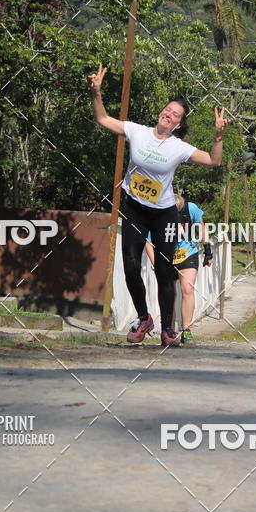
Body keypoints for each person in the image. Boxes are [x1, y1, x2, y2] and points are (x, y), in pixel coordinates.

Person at [89, 64, 226, 346]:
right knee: (129, 266)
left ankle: (167, 328)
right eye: (168, 109)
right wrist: (96, 91)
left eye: (175, 114)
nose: (169, 114)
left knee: (164, 273)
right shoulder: (136, 131)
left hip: (164, 216)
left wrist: (218, 137)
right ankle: (143, 318)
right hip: (135, 210)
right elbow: (102, 118)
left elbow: (214, 161)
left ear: (178, 124)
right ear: (161, 112)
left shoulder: (178, 147)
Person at [144, 194, 213, 345]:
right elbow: (147, 241)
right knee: (170, 293)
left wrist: (208, 251)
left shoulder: (190, 209)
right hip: (166, 258)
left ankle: (186, 330)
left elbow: (202, 228)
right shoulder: (157, 214)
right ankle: (169, 331)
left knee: (187, 289)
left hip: (188, 254)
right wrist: (156, 263)